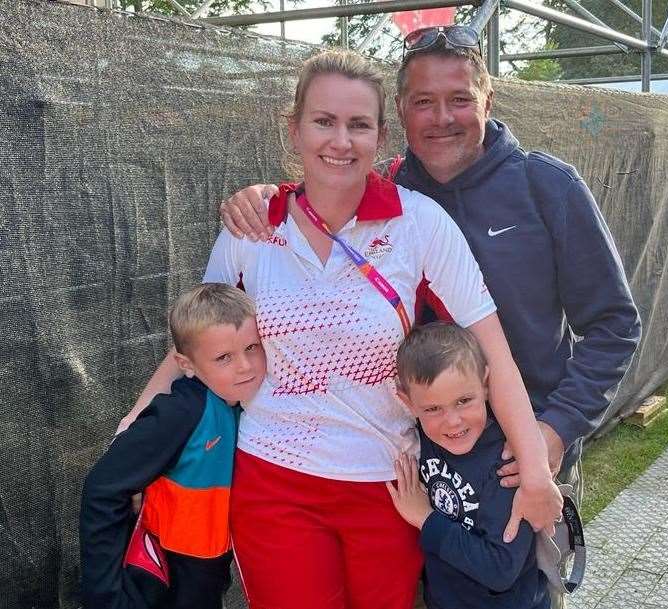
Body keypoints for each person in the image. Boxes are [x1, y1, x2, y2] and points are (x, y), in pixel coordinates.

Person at [119, 50, 562, 609]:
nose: (340, 141)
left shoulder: (419, 222)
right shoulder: (253, 227)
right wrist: (129, 437)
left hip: (390, 483)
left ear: (381, 135)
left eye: (359, 125)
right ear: (295, 128)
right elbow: (196, 347)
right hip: (274, 480)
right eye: (324, 121)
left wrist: (537, 473)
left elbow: (492, 352)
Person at [220, 27, 640, 506]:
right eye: (423, 101)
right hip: (422, 454)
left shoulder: (547, 187)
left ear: (488, 100)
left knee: (521, 579)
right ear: (399, 112)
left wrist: (557, 428)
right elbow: (319, 190)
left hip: (520, 454)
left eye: (459, 98)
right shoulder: (388, 192)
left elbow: (614, 326)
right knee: (435, 578)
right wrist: (262, 199)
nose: (442, 118)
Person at [80, 283, 267, 609]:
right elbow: (103, 487)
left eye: (252, 347)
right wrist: (106, 596)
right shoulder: (181, 412)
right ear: (186, 364)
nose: (245, 366)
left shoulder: (243, 404)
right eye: (224, 357)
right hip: (160, 584)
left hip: (206, 577)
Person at [388, 322, 552, 609]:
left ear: (487, 385)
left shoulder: (505, 463)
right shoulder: (423, 438)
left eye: (464, 401)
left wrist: (426, 519)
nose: (452, 421)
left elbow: (501, 569)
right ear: (408, 403)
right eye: (433, 408)